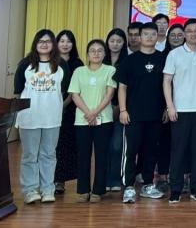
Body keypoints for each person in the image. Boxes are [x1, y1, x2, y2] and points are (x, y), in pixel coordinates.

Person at [162, 18, 196, 203]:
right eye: (190, 31)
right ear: (185, 34)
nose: (193, 34)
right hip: (180, 110)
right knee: (178, 151)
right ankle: (176, 190)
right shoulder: (174, 54)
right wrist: (170, 106)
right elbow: (167, 81)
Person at [118, 22, 166, 203]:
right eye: (145, 34)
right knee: (130, 152)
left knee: (151, 152)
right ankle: (129, 187)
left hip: (156, 115)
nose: (149, 37)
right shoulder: (130, 60)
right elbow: (122, 87)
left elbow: (168, 85)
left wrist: (166, 108)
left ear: (157, 36)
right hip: (133, 115)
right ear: (139, 37)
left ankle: (147, 185)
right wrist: (123, 110)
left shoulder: (163, 58)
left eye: (153, 34)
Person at [14, 29, 63, 204]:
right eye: (41, 41)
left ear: (53, 44)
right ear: (35, 43)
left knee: (48, 154)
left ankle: (48, 189)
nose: (44, 44)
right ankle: (30, 190)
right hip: (29, 118)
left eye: (48, 41)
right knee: (29, 155)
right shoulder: (25, 64)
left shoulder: (61, 64)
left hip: (52, 118)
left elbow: (66, 91)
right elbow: (18, 91)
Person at [68, 39, 117, 202]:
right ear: (87, 54)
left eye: (99, 50)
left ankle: (98, 190)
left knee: (102, 155)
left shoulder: (110, 70)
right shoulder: (79, 71)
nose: (96, 53)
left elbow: (109, 94)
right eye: (92, 51)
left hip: (104, 119)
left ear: (104, 53)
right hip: (82, 120)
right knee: (83, 155)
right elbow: (75, 95)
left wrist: (94, 112)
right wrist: (88, 113)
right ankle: (83, 190)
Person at [53, 29, 82, 194]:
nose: (65, 44)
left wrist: (63, 105)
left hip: (70, 109)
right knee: (51, 146)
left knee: (65, 146)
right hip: (49, 109)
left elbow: (76, 89)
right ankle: (47, 180)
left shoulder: (77, 64)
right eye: (62, 41)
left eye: (69, 41)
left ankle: (60, 181)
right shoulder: (50, 61)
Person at [104, 28, 127, 191]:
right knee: (103, 145)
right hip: (101, 109)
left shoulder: (127, 61)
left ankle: (115, 179)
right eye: (112, 41)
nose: (115, 44)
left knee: (117, 146)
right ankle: (103, 180)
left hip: (120, 109)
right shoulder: (100, 60)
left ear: (123, 43)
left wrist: (118, 108)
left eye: (119, 41)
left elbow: (128, 88)